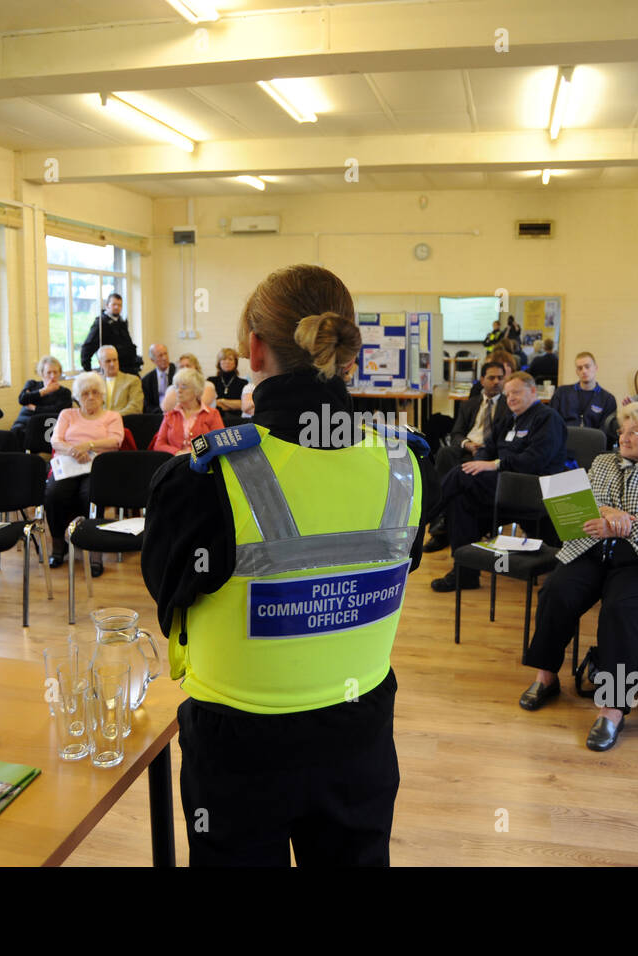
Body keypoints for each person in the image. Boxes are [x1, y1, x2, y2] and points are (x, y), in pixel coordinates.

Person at [140, 263, 437, 866]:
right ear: (348, 352)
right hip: (361, 735)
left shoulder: (200, 478)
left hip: (238, 746)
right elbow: (396, 570)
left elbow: (169, 592)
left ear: (253, 350)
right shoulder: (406, 466)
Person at [518, 402, 638, 751]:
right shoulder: (604, 462)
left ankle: (612, 709)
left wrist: (624, 521)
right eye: (622, 430)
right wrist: (610, 515)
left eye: (633, 431)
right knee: (556, 591)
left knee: (619, 612)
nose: (623, 436)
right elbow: (590, 503)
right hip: (594, 550)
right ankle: (546, 676)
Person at [430, 372, 567, 590]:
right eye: (507, 393)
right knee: (460, 501)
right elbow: (487, 448)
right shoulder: (509, 420)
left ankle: (425, 514)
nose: (510, 398)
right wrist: (482, 462)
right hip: (501, 485)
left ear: (533, 391)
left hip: (532, 487)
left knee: (460, 474)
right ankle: (465, 573)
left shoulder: (547, 418)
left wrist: (493, 465)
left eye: (516, 392)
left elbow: (535, 461)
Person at [44, 371, 123, 574]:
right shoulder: (67, 414)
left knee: (90, 495)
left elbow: (115, 440)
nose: (90, 397)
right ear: (77, 396)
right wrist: (72, 450)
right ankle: (58, 545)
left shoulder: (112, 416)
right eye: (85, 393)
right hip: (69, 464)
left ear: (102, 395)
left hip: (97, 466)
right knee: (54, 493)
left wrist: (87, 445)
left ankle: (95, 551)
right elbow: (55, 440)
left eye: (95, 392)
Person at [424, 360, 507, 550]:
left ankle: (438, 519)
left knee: (458, 475)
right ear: (482, 380)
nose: (496, 382)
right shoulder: (469, 404)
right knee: (445, 453)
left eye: (500, 378)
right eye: (491, 377)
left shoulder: (507, 405)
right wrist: (468, 445)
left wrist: (485, 448)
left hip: (489, 454)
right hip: (467, 449)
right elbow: (456, 433)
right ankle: (439, 524)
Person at [151, 366, 225, 455]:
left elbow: (221, 442)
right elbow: (159, 445)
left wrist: (197, 453)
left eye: (184, 386)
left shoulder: (212, 414)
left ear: (196, 390)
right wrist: (177, 452)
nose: (179, 390)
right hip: (176, 463)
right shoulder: (170, 415)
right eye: (176, 386)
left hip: (205, 464)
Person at [550, 351, 617, 432]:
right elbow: (552, 421)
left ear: (595, 368)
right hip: (565, 440)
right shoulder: (561, 393)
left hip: (593, 442)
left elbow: (606, 432)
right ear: (577, 372)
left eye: (587, 366)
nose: (584, 371)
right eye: (580, 368)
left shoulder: (608, 399)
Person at [79, 293, 142, 376]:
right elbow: (87, 347)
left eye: (119, 305)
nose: (117, 307)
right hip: (113, 370)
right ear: (107, 305)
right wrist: (88, 370)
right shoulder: (101, 324)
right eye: (114, 304)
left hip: (129, 369)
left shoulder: (121, 322)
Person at [12, 355, 73, 432]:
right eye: (49, 372)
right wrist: (44, 391)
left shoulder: (64, 392)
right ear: (42, 373)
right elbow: (22, 399)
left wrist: (35, 408)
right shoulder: (32, 384)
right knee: (14, 434)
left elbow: (57, 411)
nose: (53, 376)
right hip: (23, 423)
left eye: (55, 372)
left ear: (60, 373)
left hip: (46, 425)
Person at [97, 345, 144, 416]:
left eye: (115, 360)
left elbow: (136, 407)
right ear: (100, 363)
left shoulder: (132, 380)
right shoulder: (96, 383)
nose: (112, 364)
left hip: (124, 422)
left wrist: (113, 417)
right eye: (108, 361)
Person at [207, 347, 248, 413]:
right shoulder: (211, 381)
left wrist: (222, 401)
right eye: (224, 359)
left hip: (238, 420)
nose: (227, 362)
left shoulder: (243, 383)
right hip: (215, 419)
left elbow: (243, 405)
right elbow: (208, 403)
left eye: (230, 359)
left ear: (235, 363)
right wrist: (233, 405)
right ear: (219, 363)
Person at [142, 343, 173, 411]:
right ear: (152, 360)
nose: (164, 358)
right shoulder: (146, 380)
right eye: (160, 355)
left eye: (165, 354)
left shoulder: (177, 372)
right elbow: (147, 405)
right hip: (156, 415)